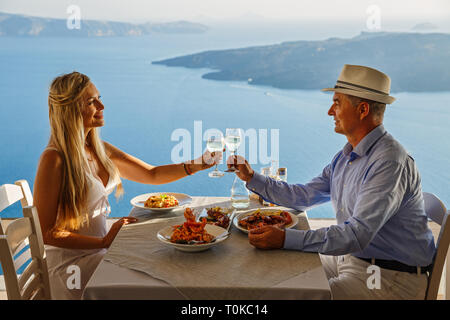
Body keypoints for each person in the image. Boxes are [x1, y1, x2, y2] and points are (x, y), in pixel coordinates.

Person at [228, 65, 436, 300]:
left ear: (363, 110)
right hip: (353, 260)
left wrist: (285, 238)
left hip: (388, 277)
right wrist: (251, 177)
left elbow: (356, 235)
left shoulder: (389, 163)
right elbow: (305, 196)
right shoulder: (348, 154)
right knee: (274, 274)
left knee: (286, 293)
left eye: (337, 103)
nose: (330, 111)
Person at [33, 71, 220, 300]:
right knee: (162, 281)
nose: (102, 105)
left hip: (99, 252)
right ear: (70, 110)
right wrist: (103, 241)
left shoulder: (97, 148)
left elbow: (151, 174)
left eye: (99, 97)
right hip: (72, 267)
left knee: (166, 263)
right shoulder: (54, 159)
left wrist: (196, 165)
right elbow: (46, 233)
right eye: (91, 102)